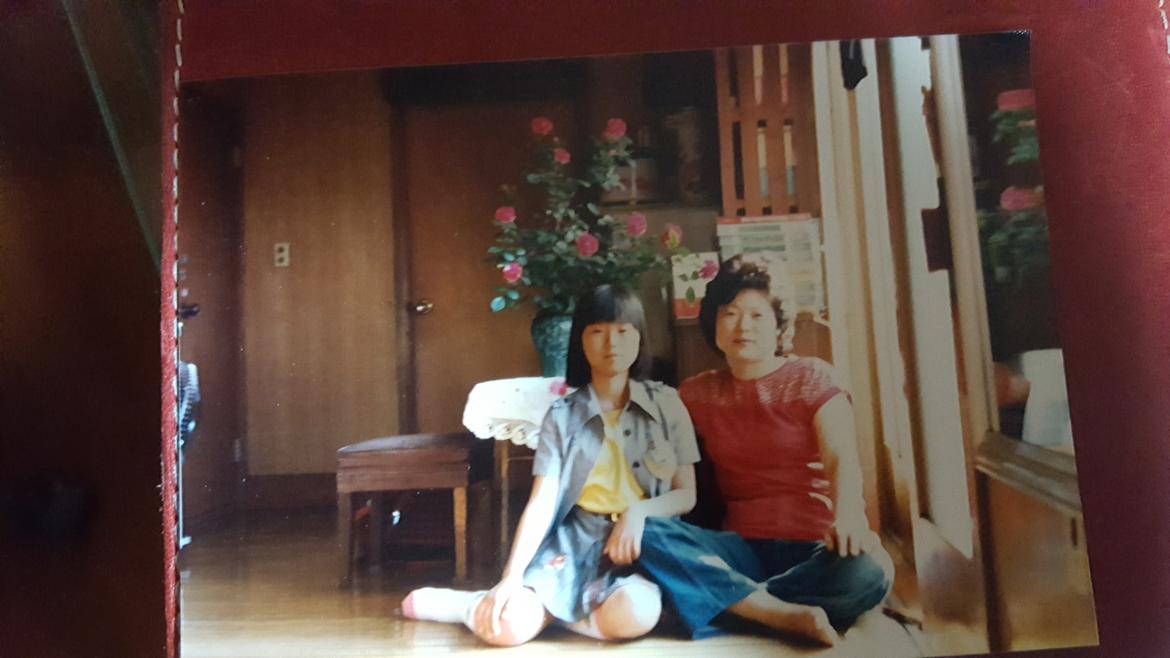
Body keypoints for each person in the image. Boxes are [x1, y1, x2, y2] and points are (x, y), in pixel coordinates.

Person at [402, 285, 701, 646]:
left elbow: (686, 494)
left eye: (623, 331)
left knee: (634, 614)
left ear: (640, 337)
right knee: (506, 628)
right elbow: (542, 502)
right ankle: (471, 606)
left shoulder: (667, 405)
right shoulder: (561, 416)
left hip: (643, 543)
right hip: (575, 543)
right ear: (580, 341)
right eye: (597, 331)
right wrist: (510, 578)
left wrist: (638, 512)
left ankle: (557, 613)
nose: (612, 344)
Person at [636, 256, 893, 646]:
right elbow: (646, 431)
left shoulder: (812, 377)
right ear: (714, 324)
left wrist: (849, 515)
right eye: (730, 314)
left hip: (816, 547)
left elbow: (840, 456)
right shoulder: (697, 393)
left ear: (779, 326)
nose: (743, 326)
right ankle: (778, 613)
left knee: (871, 570)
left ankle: (737, 604)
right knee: (647, 531)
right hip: (737, 551)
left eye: (757, 315)